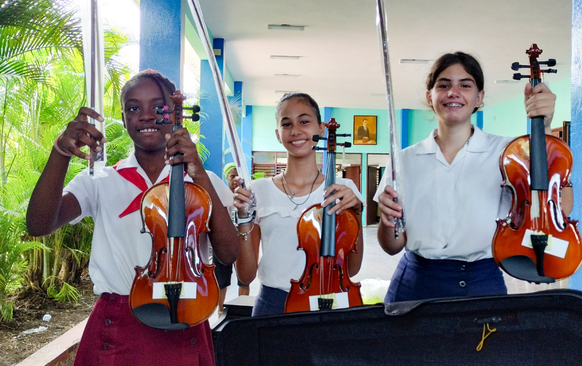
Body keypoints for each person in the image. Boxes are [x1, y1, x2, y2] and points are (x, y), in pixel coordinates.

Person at [25, 70, 238, 365]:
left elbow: (228, 253)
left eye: (159, 107)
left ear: (178, 113)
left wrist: (198, 171)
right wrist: (61, 150)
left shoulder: (203, 182)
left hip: (185, 314)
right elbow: (38, 224)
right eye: (134, 108)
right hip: (117, 324)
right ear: (124, 119)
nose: (146, 116)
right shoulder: (100, 180)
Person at [375, 52, 572, 303]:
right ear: (430, 96)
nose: (453, 92)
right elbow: (392, 246)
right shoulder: (403, 160)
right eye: (443, 85)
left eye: (465, 85)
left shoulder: (508, 154)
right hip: (415, 284)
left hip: (482, 282)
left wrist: (544, 127)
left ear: (479, 97)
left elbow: (559, 205)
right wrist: (387, 221)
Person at [233, 93, 365, 317]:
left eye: (304, 121)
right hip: (273, 306)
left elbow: (351, 268)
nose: (295, 130)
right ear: (278, 134)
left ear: (322, 129)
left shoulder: (343, 188)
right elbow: (246, 276)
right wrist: (243, 220)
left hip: (328, 299)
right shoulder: (258, 189)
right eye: (287, 124)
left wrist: (356, 215)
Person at [213, 162, 250, 316]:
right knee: (221, 279)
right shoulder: (221, 195)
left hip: (242, 241)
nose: (235, 179)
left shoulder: (247, 196)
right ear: (226, 178)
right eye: (231, 176)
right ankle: (220, 310)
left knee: (244, 278)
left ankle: (243, 311)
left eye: (237, 175)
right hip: (222, 241)